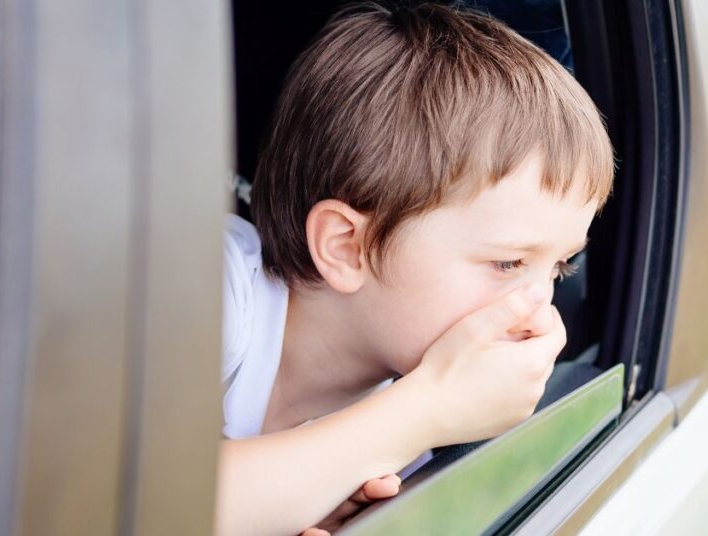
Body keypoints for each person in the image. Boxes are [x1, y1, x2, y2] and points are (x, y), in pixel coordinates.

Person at [217, 3, 614, 535]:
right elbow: (130, 504)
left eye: (560, 268)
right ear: (347, 248)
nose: (542, 317)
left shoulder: (405, 447)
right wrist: (426, 409)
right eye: (507, 262)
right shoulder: (209, 289)